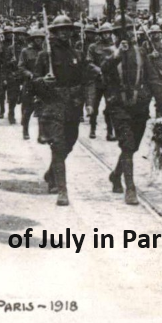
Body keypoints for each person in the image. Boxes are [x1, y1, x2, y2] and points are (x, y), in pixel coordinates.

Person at [103, 16, 162, 205]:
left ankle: (116, 175)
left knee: (132, 147)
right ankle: (130, 188)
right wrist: (116, 56)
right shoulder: (111, 53)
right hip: (118, 107)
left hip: (140, 107)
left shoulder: (141, 53)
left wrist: (161, 103)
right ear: (115, 35)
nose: (128, 36)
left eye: (130, 32)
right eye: (122, 33)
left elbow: (153, 78)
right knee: (127, 144)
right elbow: (102, 71)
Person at [32, 15, 96, 206]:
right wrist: (44, 81)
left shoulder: (78, 54)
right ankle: (62, 190)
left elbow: (87, 80)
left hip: (73, 106)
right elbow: (33, 83)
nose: (64, 33)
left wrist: (89, 103)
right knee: (58, 146)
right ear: (54, 32)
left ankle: (52, 173)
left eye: (67, 30)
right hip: (53, 105)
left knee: (69, 143)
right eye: (60, 30)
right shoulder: (46, 55)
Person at [87, 23, 116, 140]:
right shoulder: (93, 47)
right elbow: (89, 62)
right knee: (94, 105)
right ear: (100, 34)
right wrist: (98, 70)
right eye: (104, 33)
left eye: (108, 33)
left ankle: (110, 131)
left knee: (110, 107)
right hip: (97, 80)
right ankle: (92, 128)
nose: (106, 35)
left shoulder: (115, 47)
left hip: (110, 81)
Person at [18, 28, 44, 141]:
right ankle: (25, 131)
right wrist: (29, 74)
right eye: (36, 38)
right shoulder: (25, 51)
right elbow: (21, 66)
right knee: (28, 109)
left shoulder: (46, 52)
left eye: (40, 38)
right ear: (32, 40)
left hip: (42, 83)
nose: (38, 40)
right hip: (29, 83)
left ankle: (41, 134)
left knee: (42, 110)